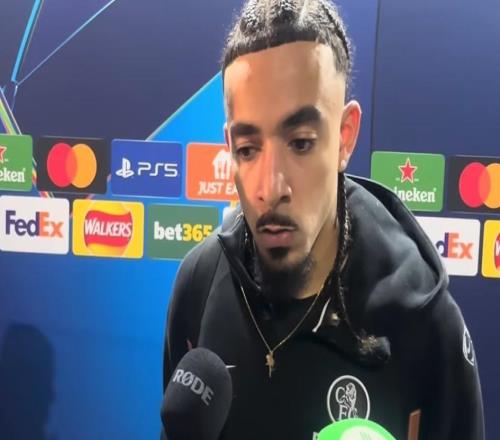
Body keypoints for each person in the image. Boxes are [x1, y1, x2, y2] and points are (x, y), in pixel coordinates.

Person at [162, 0, 484, 438]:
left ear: (344, 138)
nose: (270, 187)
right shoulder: (197, 286)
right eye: (248, 149)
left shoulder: (423, 324)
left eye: (300, 143)